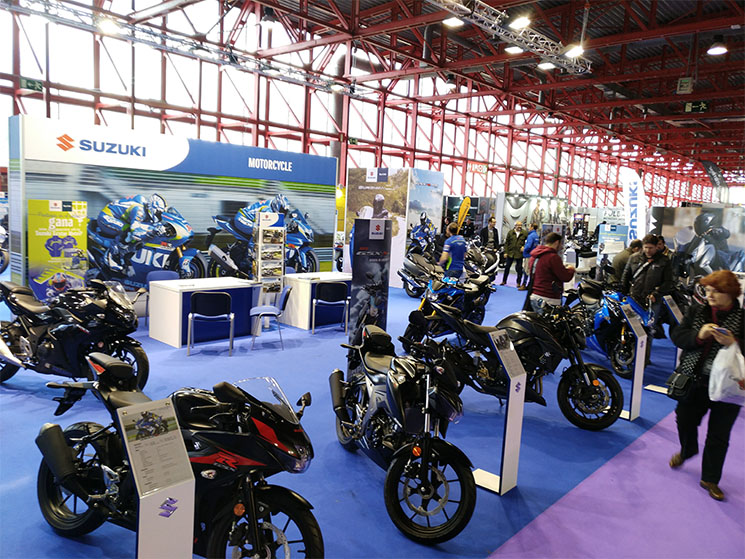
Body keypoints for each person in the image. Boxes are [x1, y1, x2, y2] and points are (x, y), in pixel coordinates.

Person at [668, 270, 743, 501]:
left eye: (716, 291)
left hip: (728, 387)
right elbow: (677, 336)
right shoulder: (696, 310)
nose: (710, 295)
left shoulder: (742, 318)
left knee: (719, 434)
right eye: (708, 290)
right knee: (684, 419)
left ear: (730, 293)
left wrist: (734, 342)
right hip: (696, 381)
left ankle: (710, 478)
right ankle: (688, 449)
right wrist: (698, 336)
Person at [97, 193, 168, 274]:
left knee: (139, 236)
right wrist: (152, 230)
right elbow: (134, 230)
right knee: (128, 231)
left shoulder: (145, 210)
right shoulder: (139, 210)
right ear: (153, 209)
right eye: (159, 213)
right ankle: (111, 255)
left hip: (119, 219)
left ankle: (125, 257)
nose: (160, 216)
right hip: (107, 217)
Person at [526, 232, 576, 314]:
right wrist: (571, 269)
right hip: (549, 298)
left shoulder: (534, 256)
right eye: (561, 244)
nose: (562, 246)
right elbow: (565, 277)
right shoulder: (553, 258)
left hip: (534, 296)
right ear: (556, 242)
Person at [501, 221, 527, 287]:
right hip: (510, 253)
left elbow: (527, 242)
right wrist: (505, 252)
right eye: (518, 225)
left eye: (520, 225)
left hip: (519, 254)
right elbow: (506, 243)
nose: (519, 227)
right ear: (515, 226)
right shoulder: (510, 232)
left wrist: (524, 247)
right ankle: (504, 281)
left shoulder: (524, 233)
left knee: (519, 269)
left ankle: (518, 282)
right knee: (507, 267)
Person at [518, 224, 540, 291]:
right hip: (534, 255)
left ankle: (524, 284)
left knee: (526, 270)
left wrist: (523, 249)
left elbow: (528, 245)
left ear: (532, 227)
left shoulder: (530, 236)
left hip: (528, 255)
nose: (528, 228)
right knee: (531, 271)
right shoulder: (536, 236)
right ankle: (530, 285)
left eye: (529, 226)